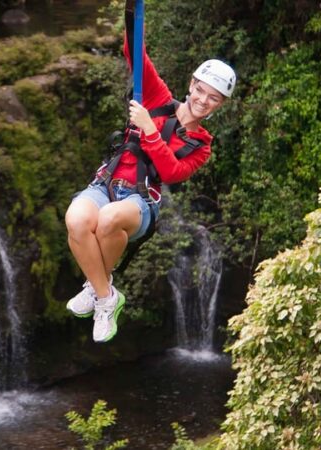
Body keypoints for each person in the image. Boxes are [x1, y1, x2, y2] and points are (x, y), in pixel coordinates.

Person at [64, 0, 236, 343]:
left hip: (141, 202)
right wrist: (131, 9)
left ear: (220, 105)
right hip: (106, 182)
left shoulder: (201, 144)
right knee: (76, 219)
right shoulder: (156, 97)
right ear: (191, 84)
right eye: (201, 90)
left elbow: (170, 172)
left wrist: (149, 129)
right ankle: (104, 294)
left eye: (213, 98)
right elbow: (134, 51)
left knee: (110, 219)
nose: (203, 100)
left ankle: (100, 295)